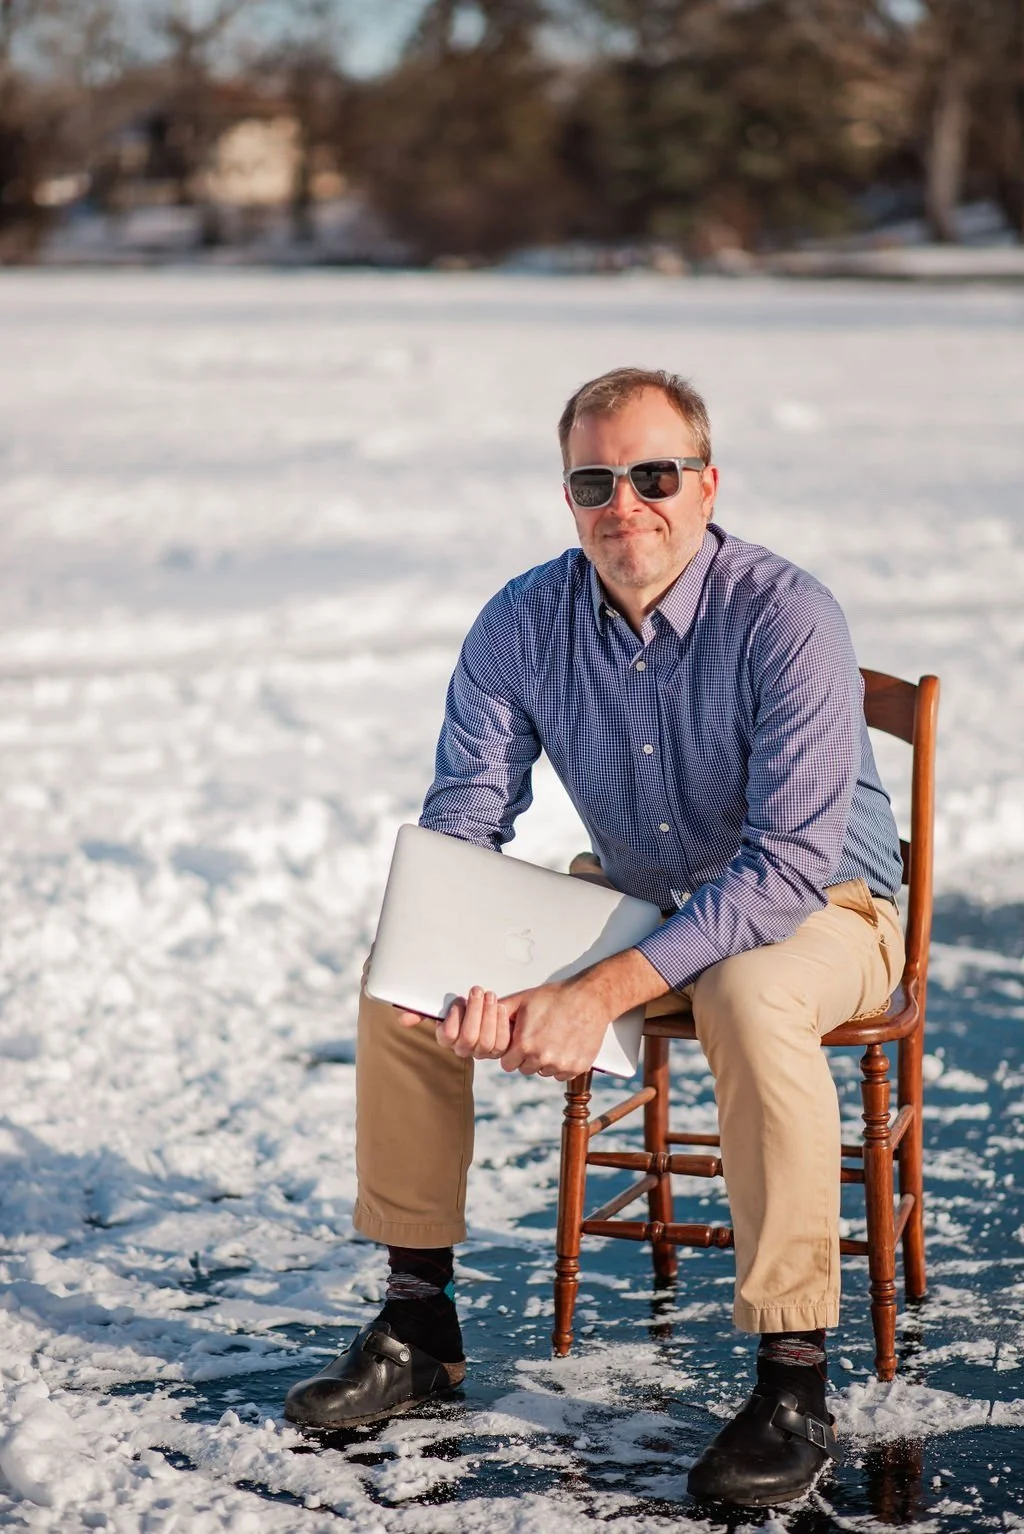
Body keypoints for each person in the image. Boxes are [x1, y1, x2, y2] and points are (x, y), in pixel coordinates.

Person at [284, 367, 905, 1508]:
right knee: (404, 980)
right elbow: (464, 824)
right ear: (568, 497)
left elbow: (782, 869)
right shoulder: (523, 618)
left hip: (823, 909)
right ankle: (417, 1320)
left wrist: (600, 987)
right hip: (644, 897)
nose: (627, 502)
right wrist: (455, 955)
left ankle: (792, 1379)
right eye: (594, 480)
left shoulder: (785, 613)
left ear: (706, 485)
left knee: (746, 993)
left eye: (654, 474)